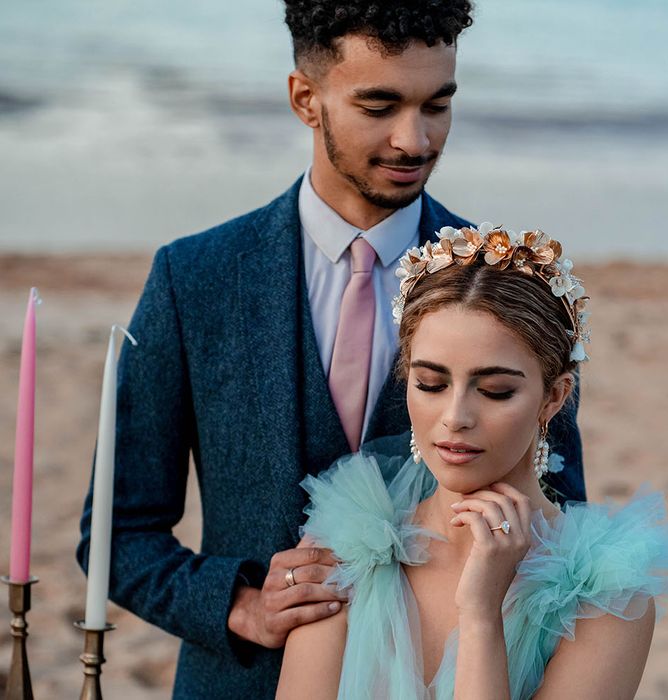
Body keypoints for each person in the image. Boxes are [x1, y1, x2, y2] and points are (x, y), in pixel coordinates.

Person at [76, 2, 586, 698]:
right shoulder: (194, 279)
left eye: (437, 105)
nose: (415, 140)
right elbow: (117, 532)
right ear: (304, 98)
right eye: (380, 106)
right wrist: (239, 606)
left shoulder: (507, 287)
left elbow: (559, 512)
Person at [276, 226, 668, 699]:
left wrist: (480, 615)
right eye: (430, 384)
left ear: (554, 397)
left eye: (495, 391)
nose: (455, 418)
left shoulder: (608, 595)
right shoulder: (345, 544)